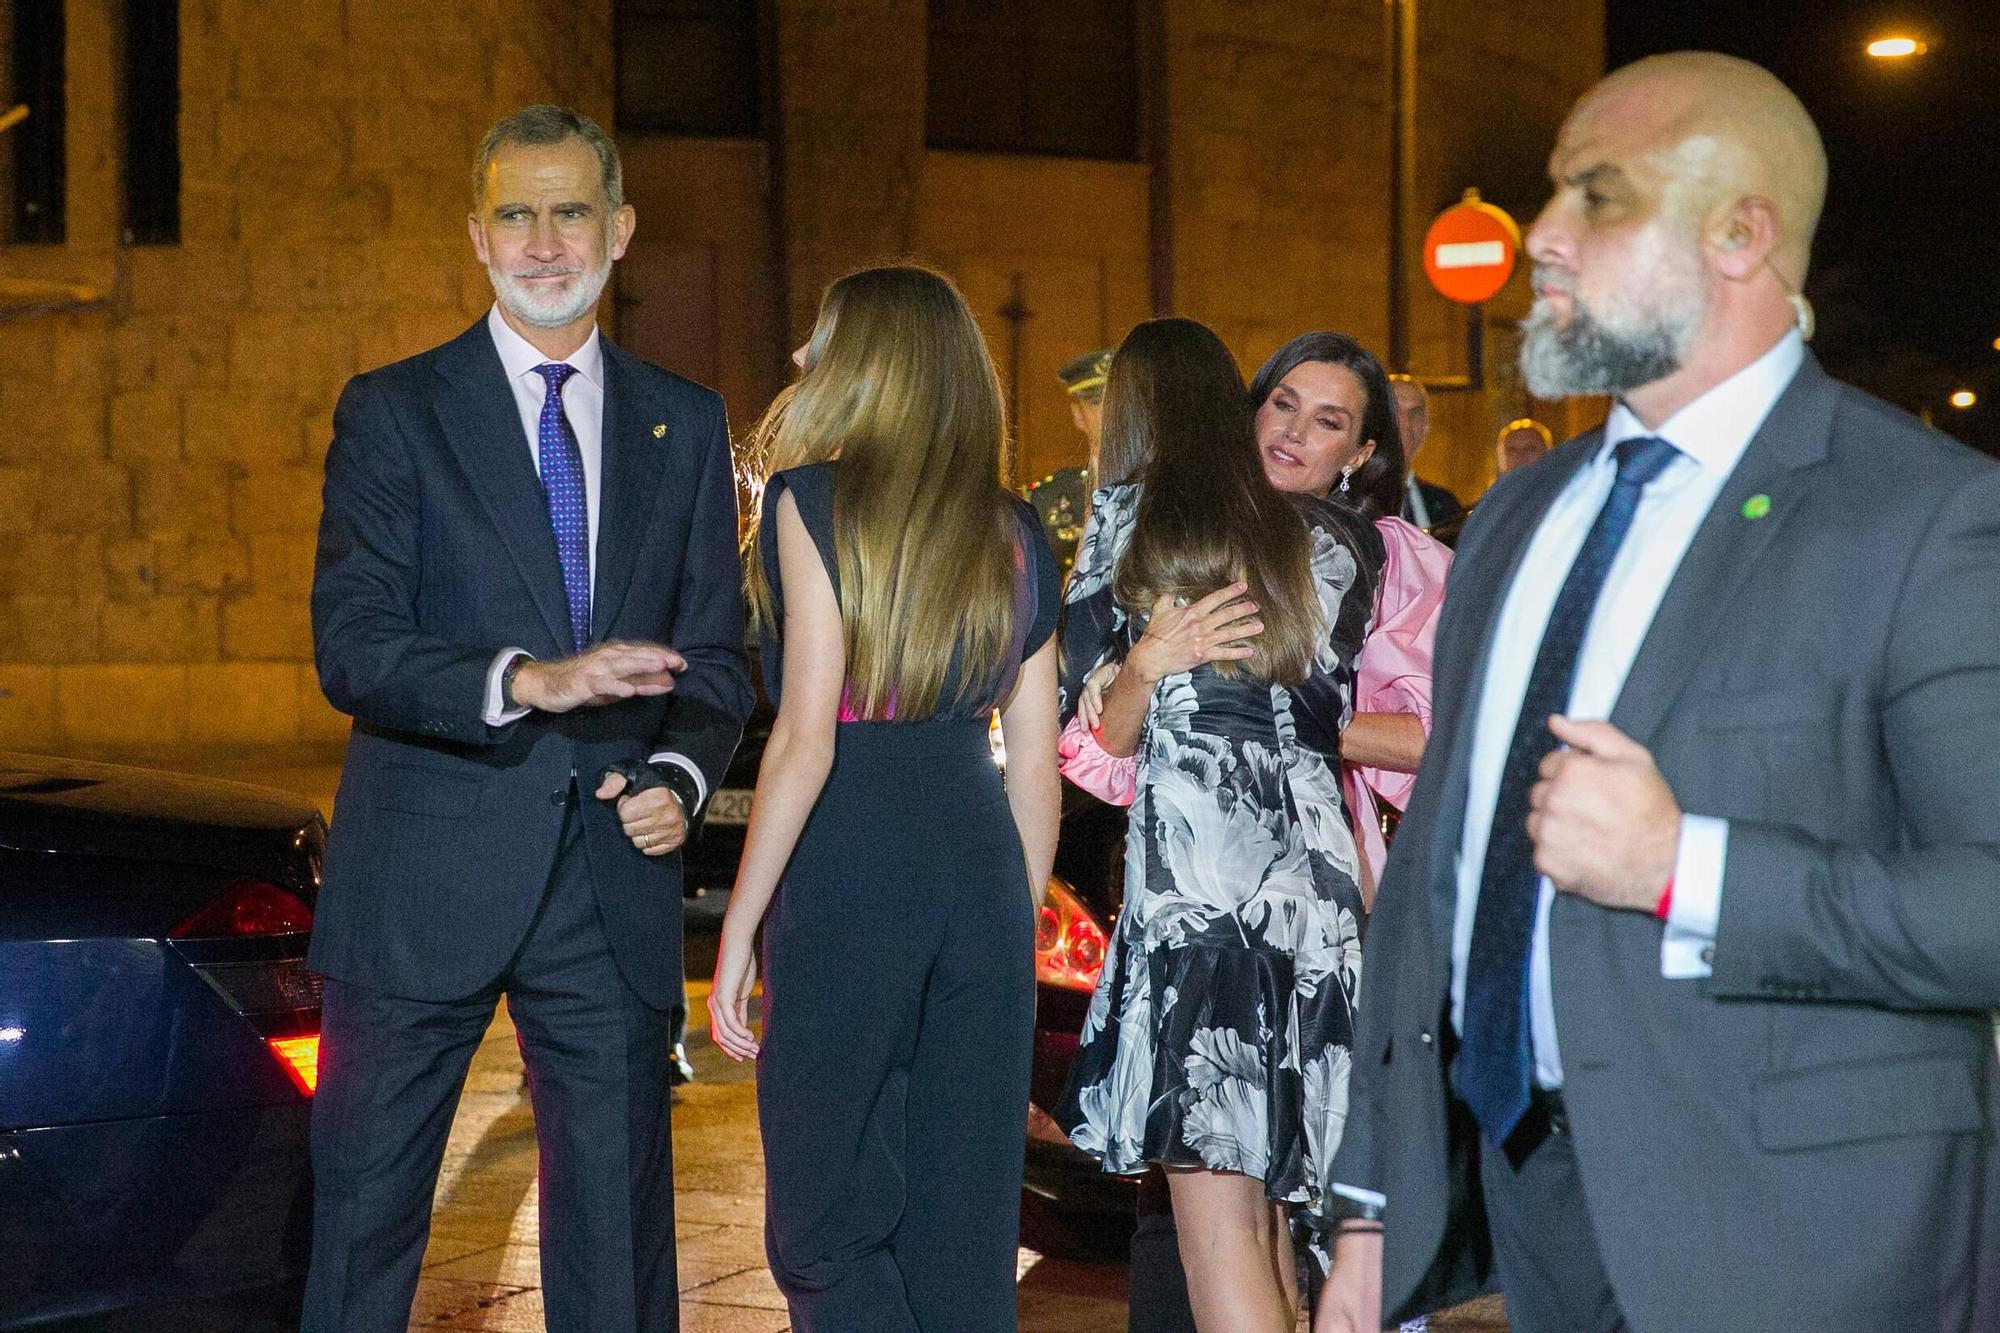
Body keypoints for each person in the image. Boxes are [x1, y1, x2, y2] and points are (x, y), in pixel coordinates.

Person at [1320, 52, 2000, 1333]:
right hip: (1541, 1216)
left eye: (1596, 196)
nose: (1543, 236)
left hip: (1806, 1239)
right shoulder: (1522, 513)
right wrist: (1372, 1199)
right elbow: (1439, 874)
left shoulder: (1925, 517)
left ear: (1740, 233)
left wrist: (1687, 867)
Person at [306, 106, 752, 1333]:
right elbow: (352, 646)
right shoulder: (394, 411)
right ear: (475, 234)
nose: (544, 241)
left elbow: (718, 656)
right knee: (362, 1233)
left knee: (616, 1258)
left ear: (619, 230)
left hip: (609, 884)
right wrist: (526, 678)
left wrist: (677, 767)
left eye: (569, 212)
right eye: (516, 212)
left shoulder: (686, 421)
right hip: (419, 884)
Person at [706, 265, 1063, 1332]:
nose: (803, 359)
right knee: (962, 1228)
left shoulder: (807, 499)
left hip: (854, 850)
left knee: (819, 1223)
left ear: (869, 367)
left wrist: (738, 924)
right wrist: (1011, 913)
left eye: (823, 340)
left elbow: (805, 736)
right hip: (980, 858)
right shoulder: (1017, 531)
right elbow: (1035, 766)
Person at [1055, 317, 1381, 1332]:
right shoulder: (1333, 540)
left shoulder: (1137, 522)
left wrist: (1142, 663)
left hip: (1204, 901)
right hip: (1320, 908)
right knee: (1276, 1224)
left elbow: (1095, 732)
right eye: (1280, 404)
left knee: (1217, 1225)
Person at [1387, 373, 1466, 531]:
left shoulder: (1445, 503)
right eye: (1395, 411)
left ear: (1426, 426)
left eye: (1415, 413)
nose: (1406, 423)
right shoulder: (1352, 500)